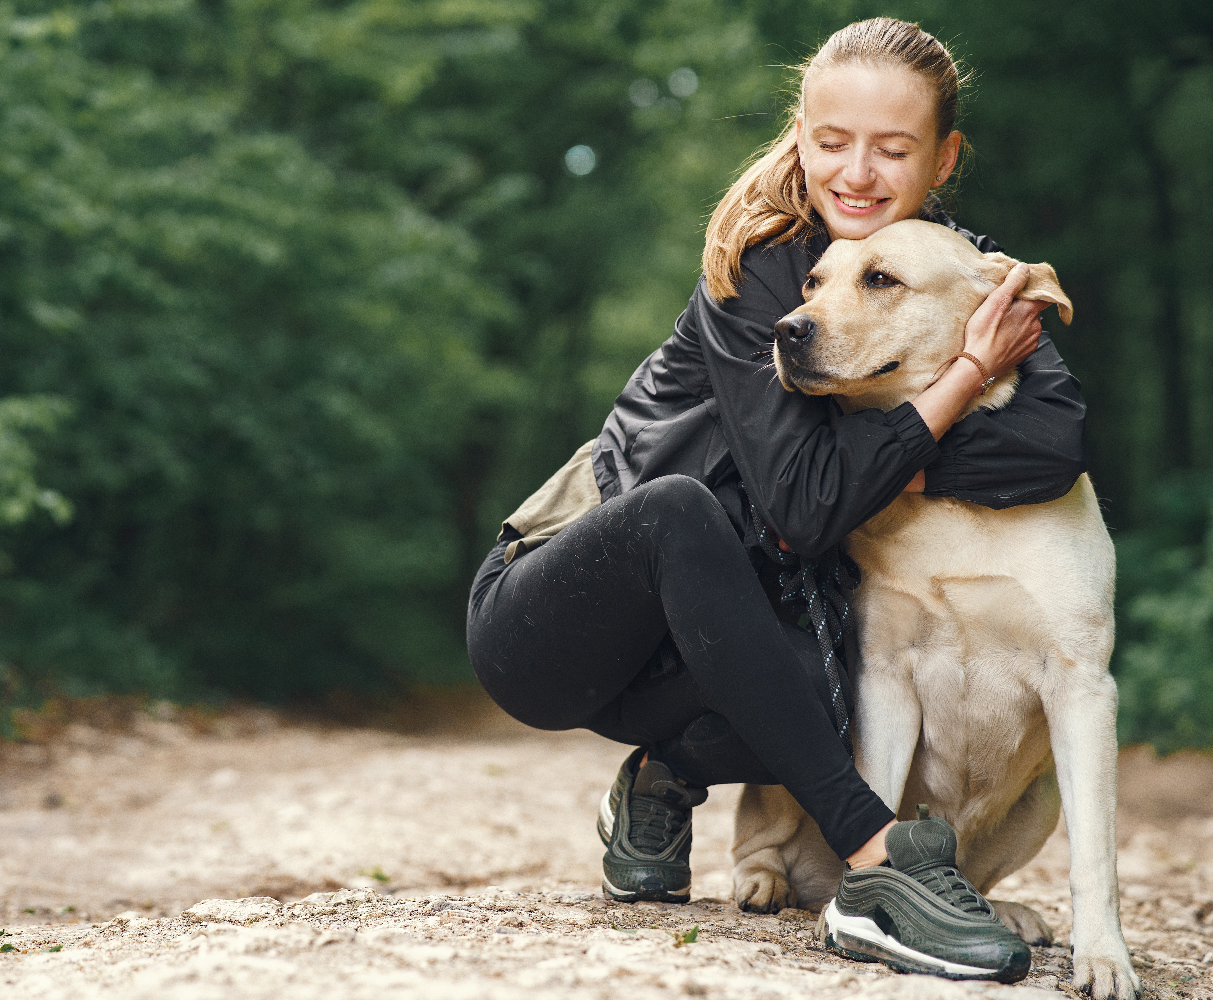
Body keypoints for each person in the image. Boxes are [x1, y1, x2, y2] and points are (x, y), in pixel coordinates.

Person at [465, 17, 1085, 984]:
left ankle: (665, 770)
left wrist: (908, 433)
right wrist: (964, 377)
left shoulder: (958, 272)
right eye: (832, 142)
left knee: (848, 662)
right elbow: (803, 504)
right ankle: (879, 871)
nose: (858, 172)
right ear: (800, 137)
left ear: (944, 157)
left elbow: (1054, 441)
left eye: (893, 147)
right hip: (557, 616)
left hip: (711, 647)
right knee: (680, 511)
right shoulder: (760, 268)